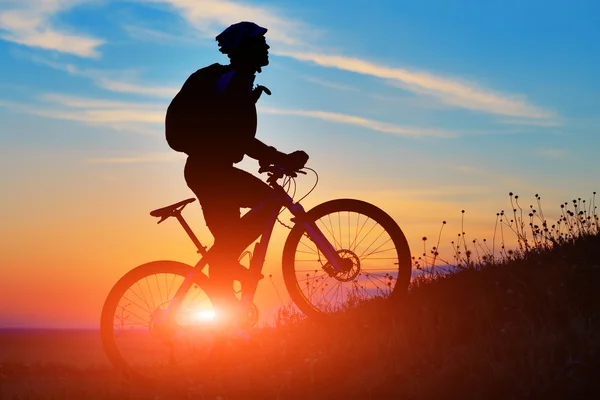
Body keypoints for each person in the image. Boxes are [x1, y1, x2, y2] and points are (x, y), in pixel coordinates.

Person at [172, 21, 309, 322]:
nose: (267, 48)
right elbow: (239, 137)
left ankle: (228, 331)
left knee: (228, 245)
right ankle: (226, 273)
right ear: (246, 49)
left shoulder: (237, 81)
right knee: (268, 203)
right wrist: (278, 157)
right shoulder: (233, 82)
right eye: (261, 44)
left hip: (210, 170)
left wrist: (270, 158)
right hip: (210, 172)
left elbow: (230, 135)